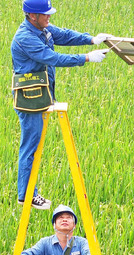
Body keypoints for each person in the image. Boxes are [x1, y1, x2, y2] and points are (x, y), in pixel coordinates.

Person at [11, 0, 111, 209]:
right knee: (30, 146)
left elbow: (64, 35)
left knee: (34, 145)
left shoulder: (43, 28)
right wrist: (86, 58)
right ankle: (26, 194)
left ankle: (28, 192)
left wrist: (91, 39)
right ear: (32, 16)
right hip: (30, 99)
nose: (49, 17)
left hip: (41, 94)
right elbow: (52, 58)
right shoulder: (25, 38)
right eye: (45, 14)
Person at [22, 204, 90, 254]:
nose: (65, 220)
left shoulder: (81, 243)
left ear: (74, 225)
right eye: (61, 217)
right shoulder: (45, 243)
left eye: (68, 217)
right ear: (54, 224)